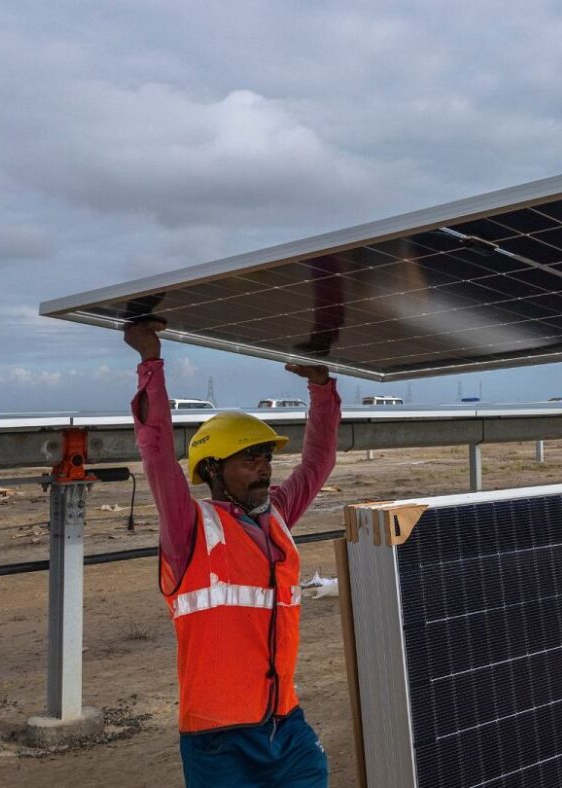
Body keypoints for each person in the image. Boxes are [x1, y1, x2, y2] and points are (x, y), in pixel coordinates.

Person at [125, 319, 341, 788]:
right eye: (250, 459)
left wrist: (321, 389)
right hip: (217, 739)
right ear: (213, 470)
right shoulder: (189, 528)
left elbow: (318, 461)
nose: (265, 468)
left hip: (285, 726)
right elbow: (157, 456)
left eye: (267, 457)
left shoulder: (276, 514)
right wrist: (150, 362)